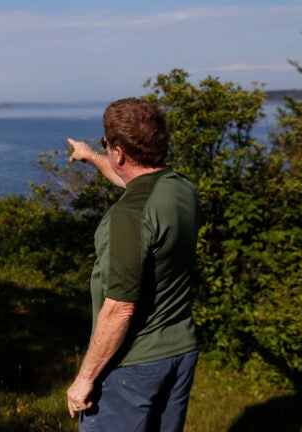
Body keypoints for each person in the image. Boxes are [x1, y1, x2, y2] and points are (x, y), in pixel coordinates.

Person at [66, 98, 202, 431]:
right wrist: (91, 155)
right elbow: (132, 180)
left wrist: (84, 379)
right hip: (180, 353)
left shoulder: (128, 217)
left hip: (133, 366)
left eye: (106, 144)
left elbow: (120, 310)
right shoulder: (180, 188)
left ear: (119, 152)